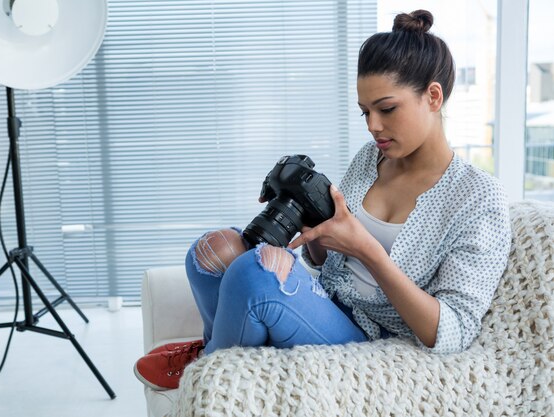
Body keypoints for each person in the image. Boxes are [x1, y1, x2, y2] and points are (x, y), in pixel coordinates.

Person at [134, 9, 512, 391]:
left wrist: (369, 252)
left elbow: (452, 332)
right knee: (211, 253)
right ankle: (220, 346)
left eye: (387, 109)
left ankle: (208, 367)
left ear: (433, 96)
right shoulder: (372, 158)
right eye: (365, 112)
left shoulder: (478, 198)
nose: (373, 126)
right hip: (328, 304)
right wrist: (314, 236)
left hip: (377, 339)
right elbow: (329, 263)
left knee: (253, 272)